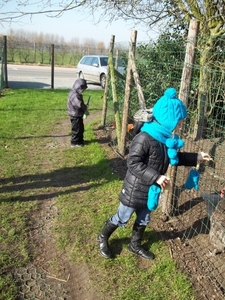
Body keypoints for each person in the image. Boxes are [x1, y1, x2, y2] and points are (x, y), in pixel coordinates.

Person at [97, 87, 212, 260]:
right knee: (123, 216)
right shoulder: (144, 138)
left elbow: (176, 157)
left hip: (151, 189)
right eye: (178, 122)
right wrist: (156, 177)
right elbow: (133, 163)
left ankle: (134, 245)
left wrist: (197, 157)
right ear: (168, 120)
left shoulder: (165, 138)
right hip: (135, 188)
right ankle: (103, 236)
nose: (180, 125)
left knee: (143, 218)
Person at [67, 78, 88, 148]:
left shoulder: (75, 93)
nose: (83, 91)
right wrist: (85, 107)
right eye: (82, 89)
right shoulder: (75, 95)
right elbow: (79, 104)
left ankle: (80, 140)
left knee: (80, 128)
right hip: (75, 115)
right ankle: (74, 142)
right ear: (79, 87)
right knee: (76, 129)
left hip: (77, 114)